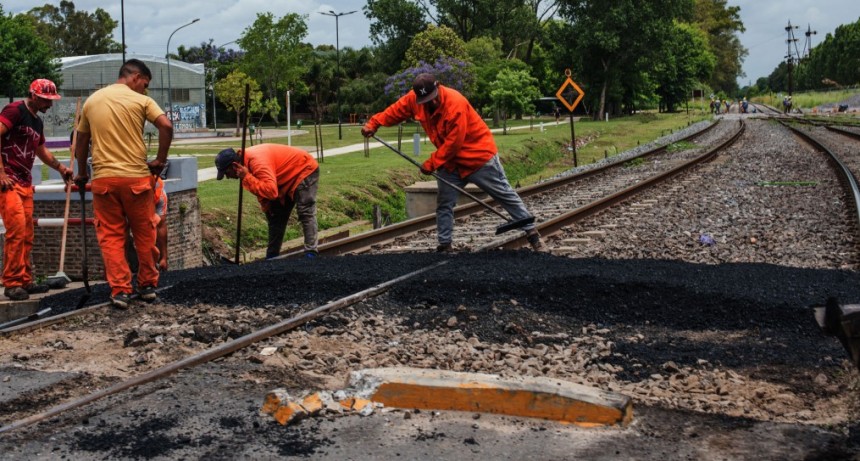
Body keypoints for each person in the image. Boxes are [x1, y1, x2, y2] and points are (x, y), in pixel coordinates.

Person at [360, 73, 544, 252]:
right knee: (444, 202)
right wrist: (374, 123)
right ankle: (445, 244)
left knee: (504, 194)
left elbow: (453, 143)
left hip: (478, 158)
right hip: (450, 164)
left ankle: (533, 234)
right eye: (425, 101)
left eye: (433, 98)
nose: (430, 103)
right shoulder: (414, 100)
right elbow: (395, 111)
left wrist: (431, 163)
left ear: (438, 86)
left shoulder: (455, 103)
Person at [73, 59, 173, 309]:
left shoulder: (92, 101)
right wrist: (160, 159)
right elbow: (166, 126)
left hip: (104, 181)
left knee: (111, 237)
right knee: (145, 232)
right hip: (137, 180)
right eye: (145, 84)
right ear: (136, 77)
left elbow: (81, 141)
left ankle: (120, 290)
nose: (145, 89)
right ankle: (148, 285)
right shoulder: (142, 101)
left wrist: (82, 173)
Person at [0, 79, 74, 301]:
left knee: (27, 233)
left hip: (24, 182)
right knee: (16, 230)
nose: (48, 105)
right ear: (34, 96)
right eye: (45, 100)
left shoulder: (37, 123)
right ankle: (12, 283)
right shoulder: (14, 111)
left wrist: (61, 168)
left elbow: (42, 151)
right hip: (8, 181)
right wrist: (1, 173)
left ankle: (24, 279)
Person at [214, 143, 319, 259]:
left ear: (234, 166)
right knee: (275, 215)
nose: (227, 177)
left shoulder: (257, 163)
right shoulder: (246, 166)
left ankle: (311, 253)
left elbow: (271, 192)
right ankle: (272, 257)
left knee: (305, 211)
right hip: (282, 179)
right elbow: (263, 191)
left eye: (226, 173)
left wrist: (247, 177)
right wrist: (267, 207)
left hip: (303, 169)